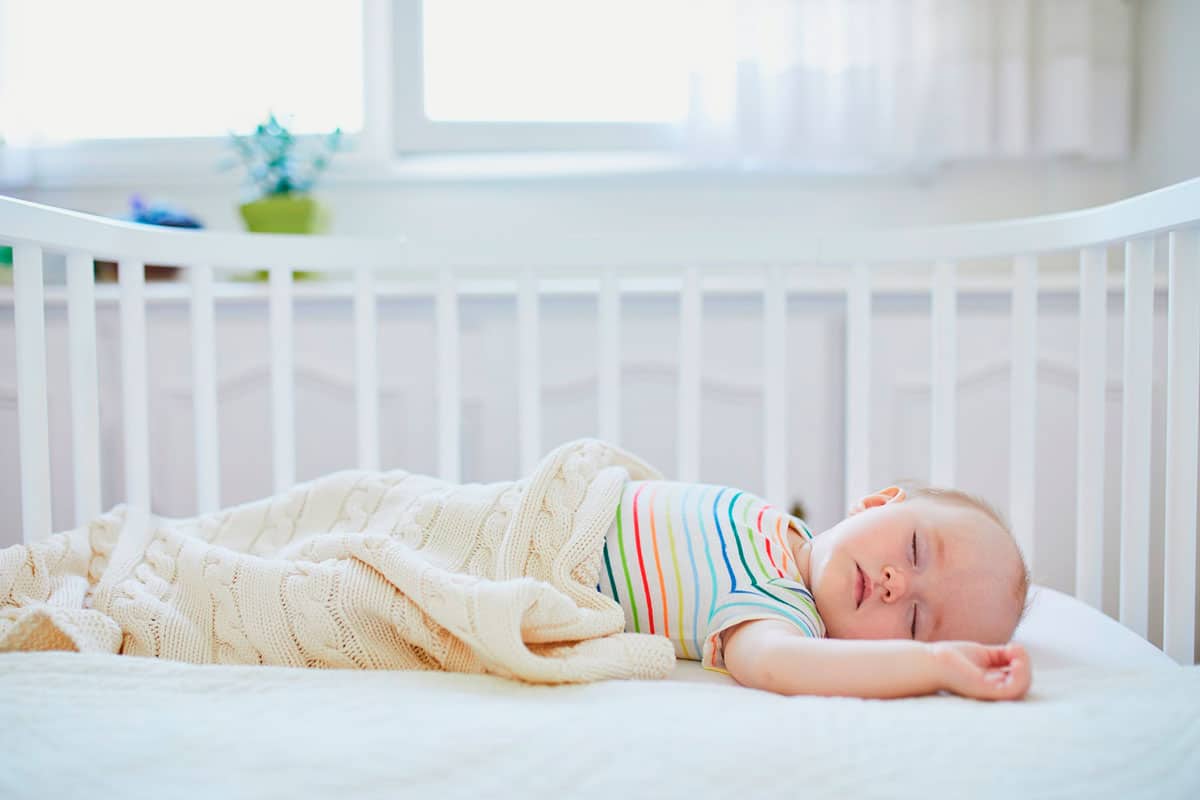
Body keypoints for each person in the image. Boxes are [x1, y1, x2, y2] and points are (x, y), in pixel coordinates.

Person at [596, 481, 1032, 700]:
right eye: (914, 549)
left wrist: (936, 666)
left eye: (915, 620)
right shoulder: (778, 525)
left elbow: (773, 664)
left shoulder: (782, 609)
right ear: (878, 503)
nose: (894, 584)